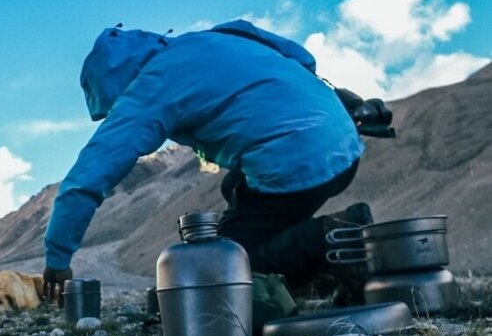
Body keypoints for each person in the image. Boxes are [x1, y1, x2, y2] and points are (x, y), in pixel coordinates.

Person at [42, 20, 392, 302]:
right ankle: (311, 275)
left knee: (220, 270)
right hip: (345, 136)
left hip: (297, 160)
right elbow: (300, 56)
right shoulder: (225, 34)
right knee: (235, 188)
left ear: (116, 88)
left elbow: (88, 177)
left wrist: (57, 259)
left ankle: (333, 239)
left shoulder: (150, 88)